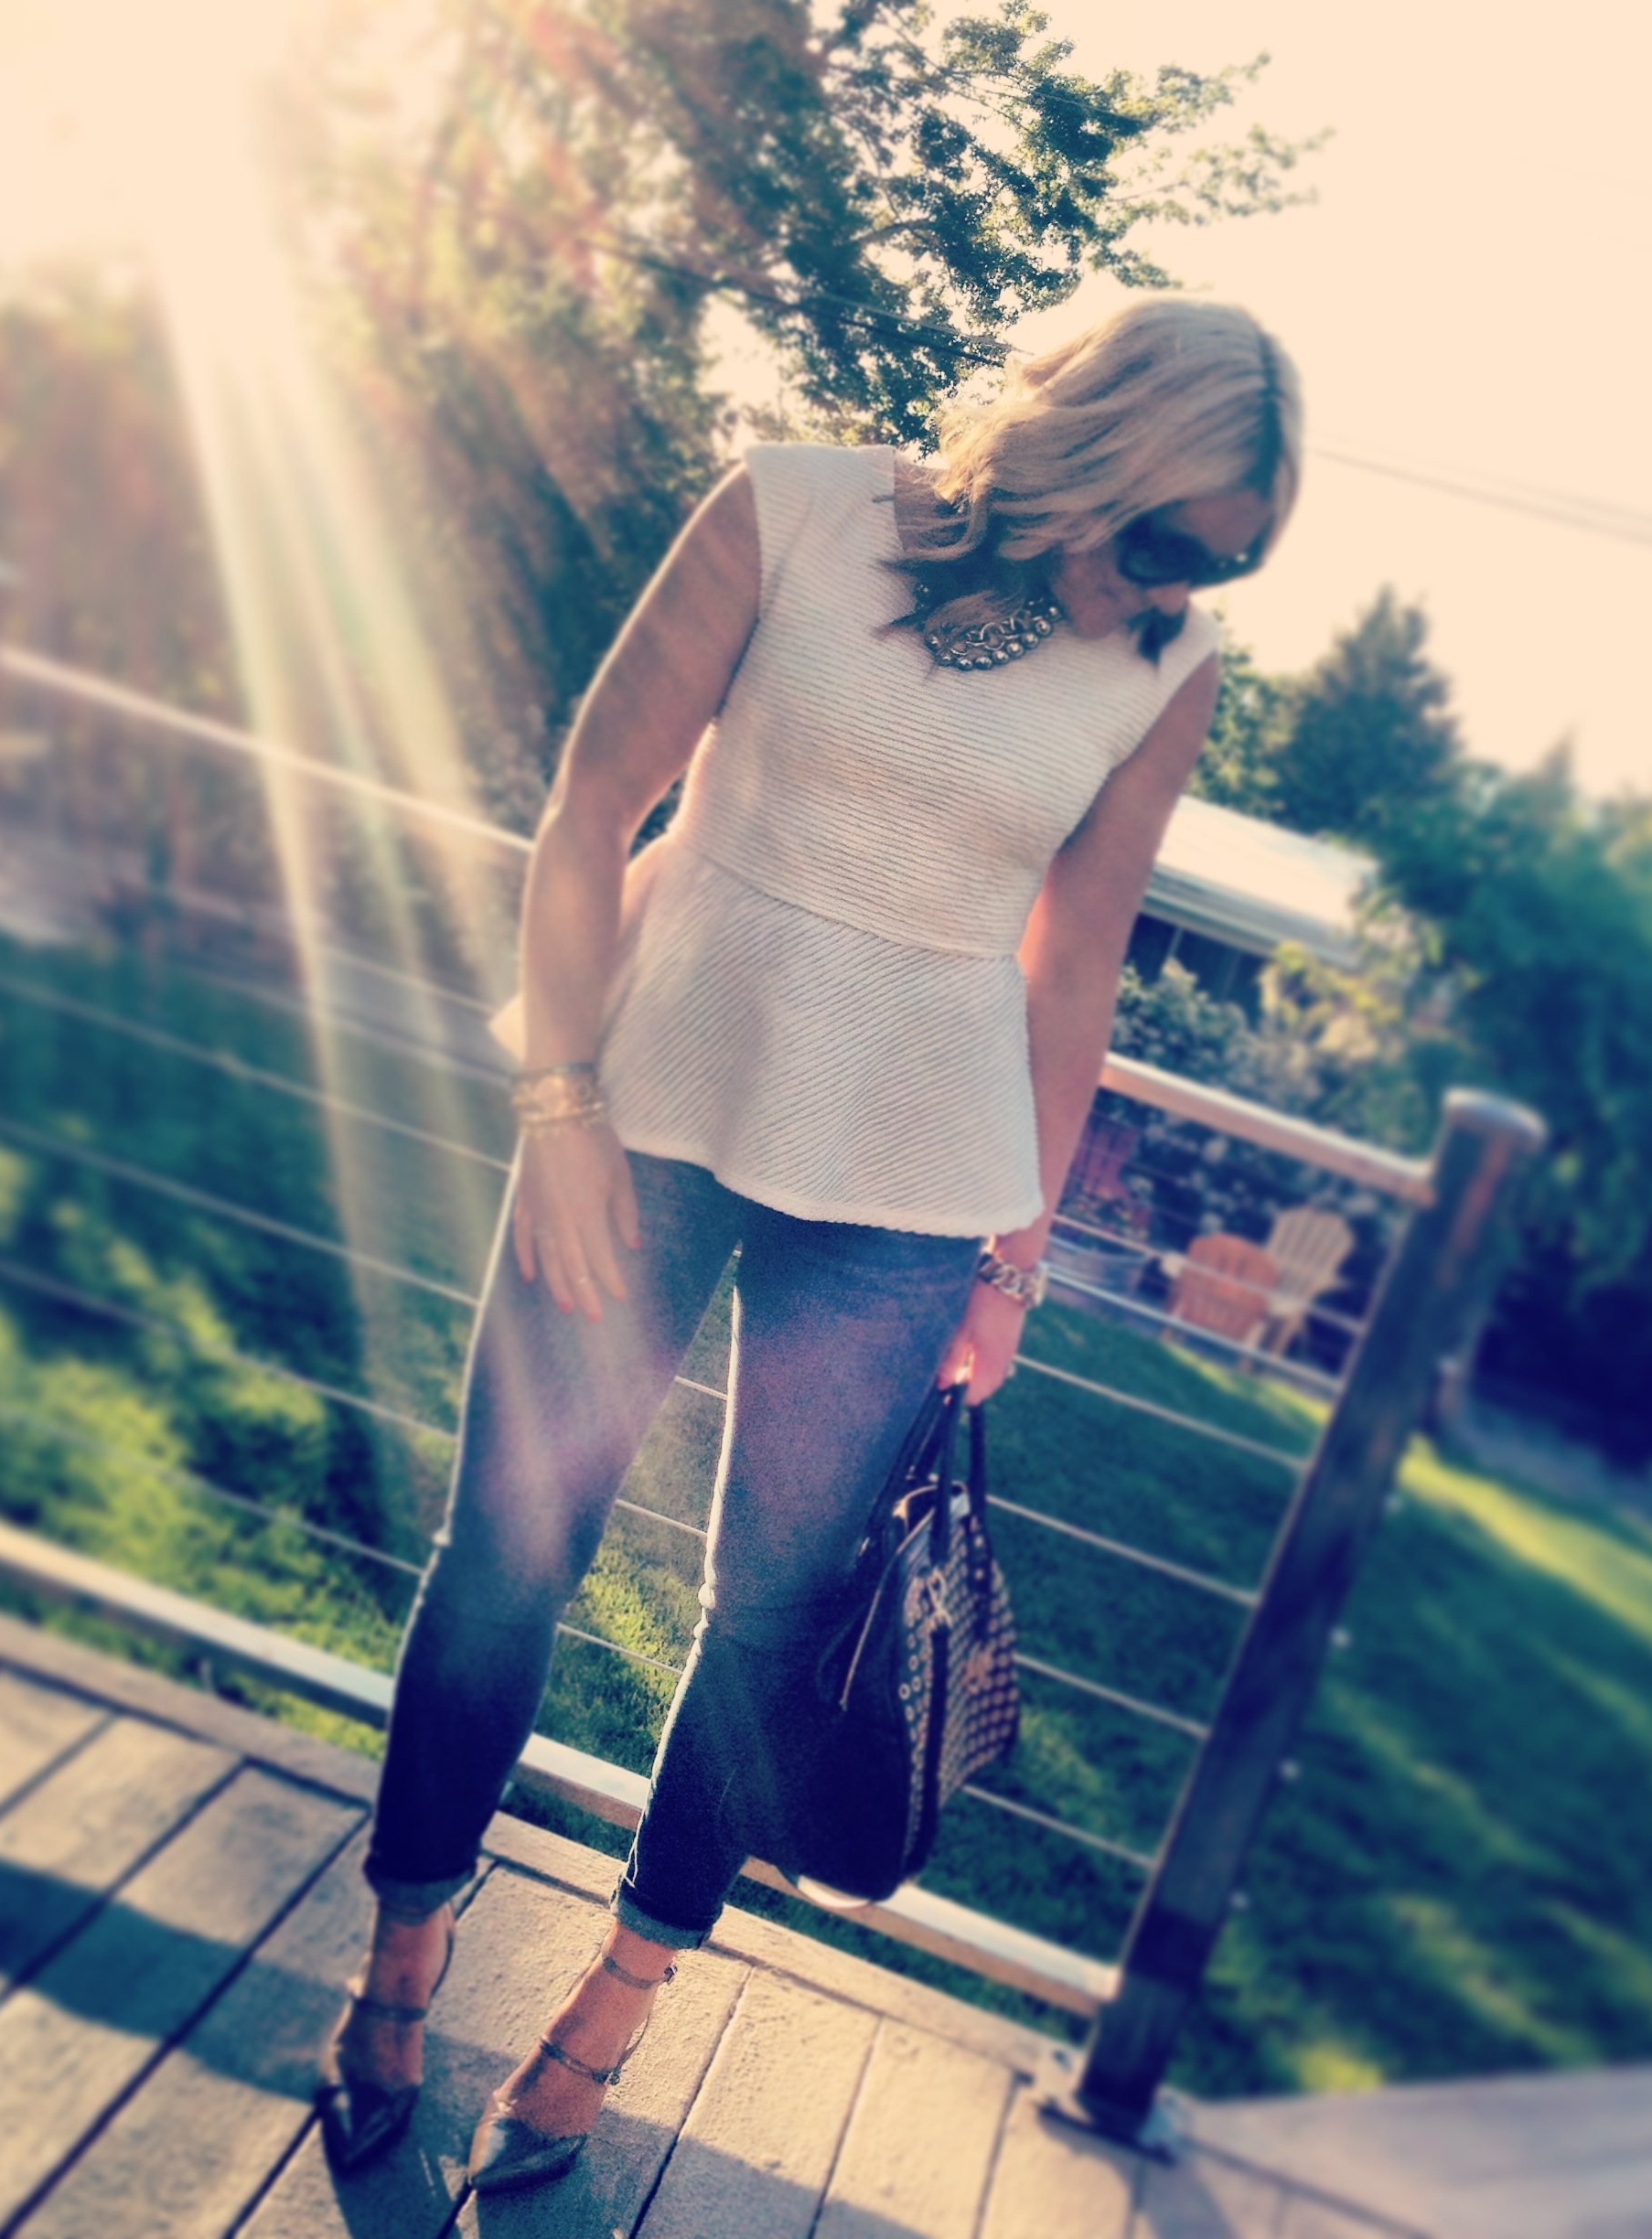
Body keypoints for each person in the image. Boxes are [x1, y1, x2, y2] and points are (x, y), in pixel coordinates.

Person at [316, 295, 1302, 2195]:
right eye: (1173, 539)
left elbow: (1073, 966)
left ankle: (612, 2014)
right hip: (643, 1111)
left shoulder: (1163, 665)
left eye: (1231, 566)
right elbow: (592, 807)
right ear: (1097, 447)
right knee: (509, 1551)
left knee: (769, 1620)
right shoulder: (794, 508)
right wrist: (560, 1107)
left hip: (911, 1189)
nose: (1189, 588)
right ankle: (402, 1961)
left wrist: (1013, 1264)